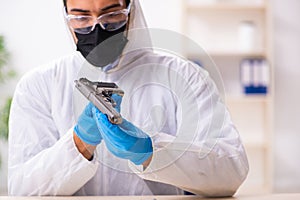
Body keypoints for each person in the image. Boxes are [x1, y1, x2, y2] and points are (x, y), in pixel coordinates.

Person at [8, 0, 249, 197]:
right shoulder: (38, 85)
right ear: (66, 18)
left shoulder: (183, 76)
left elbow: (231, 171)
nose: (96, 29)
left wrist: (150, 151)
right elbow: (22, 189)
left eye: (111, 15)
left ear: (131, 11)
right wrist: (79, 143)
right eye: (81, 18)